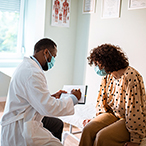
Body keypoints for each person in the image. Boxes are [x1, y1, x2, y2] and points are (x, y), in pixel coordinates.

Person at [0, 38, 81, 146]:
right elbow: (48, 107)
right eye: (54, 56)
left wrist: (51, 96)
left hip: (25, 118)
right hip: (20, 127)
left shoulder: (28, 66)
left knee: (57, 125)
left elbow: (32, 96)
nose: (53, 61)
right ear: (46, 52)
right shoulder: (33, 73)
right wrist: (73, 98)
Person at [79, 44, 146, 146]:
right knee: (88, 129)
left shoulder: (130, 77)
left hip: (128, 119)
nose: (97, 67)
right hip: (113, 114)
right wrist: (96, 118)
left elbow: (134, 110)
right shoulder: (108, 76)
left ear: (107, 61)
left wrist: (135, 140)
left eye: (98, 64)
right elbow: (102, 102)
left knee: (102, 136)